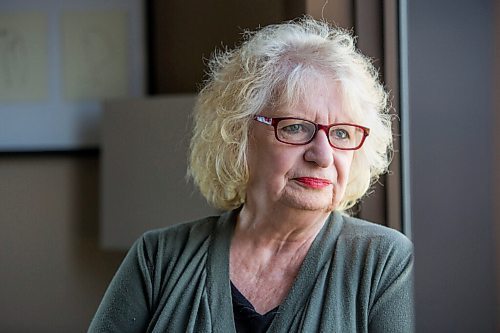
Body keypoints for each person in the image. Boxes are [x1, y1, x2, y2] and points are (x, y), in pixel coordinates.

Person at [89, 17, 414, 332]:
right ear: (238, 137)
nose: (323, 155)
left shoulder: (384, 262)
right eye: (296, 128)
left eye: (341, 134)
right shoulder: (158, 258)